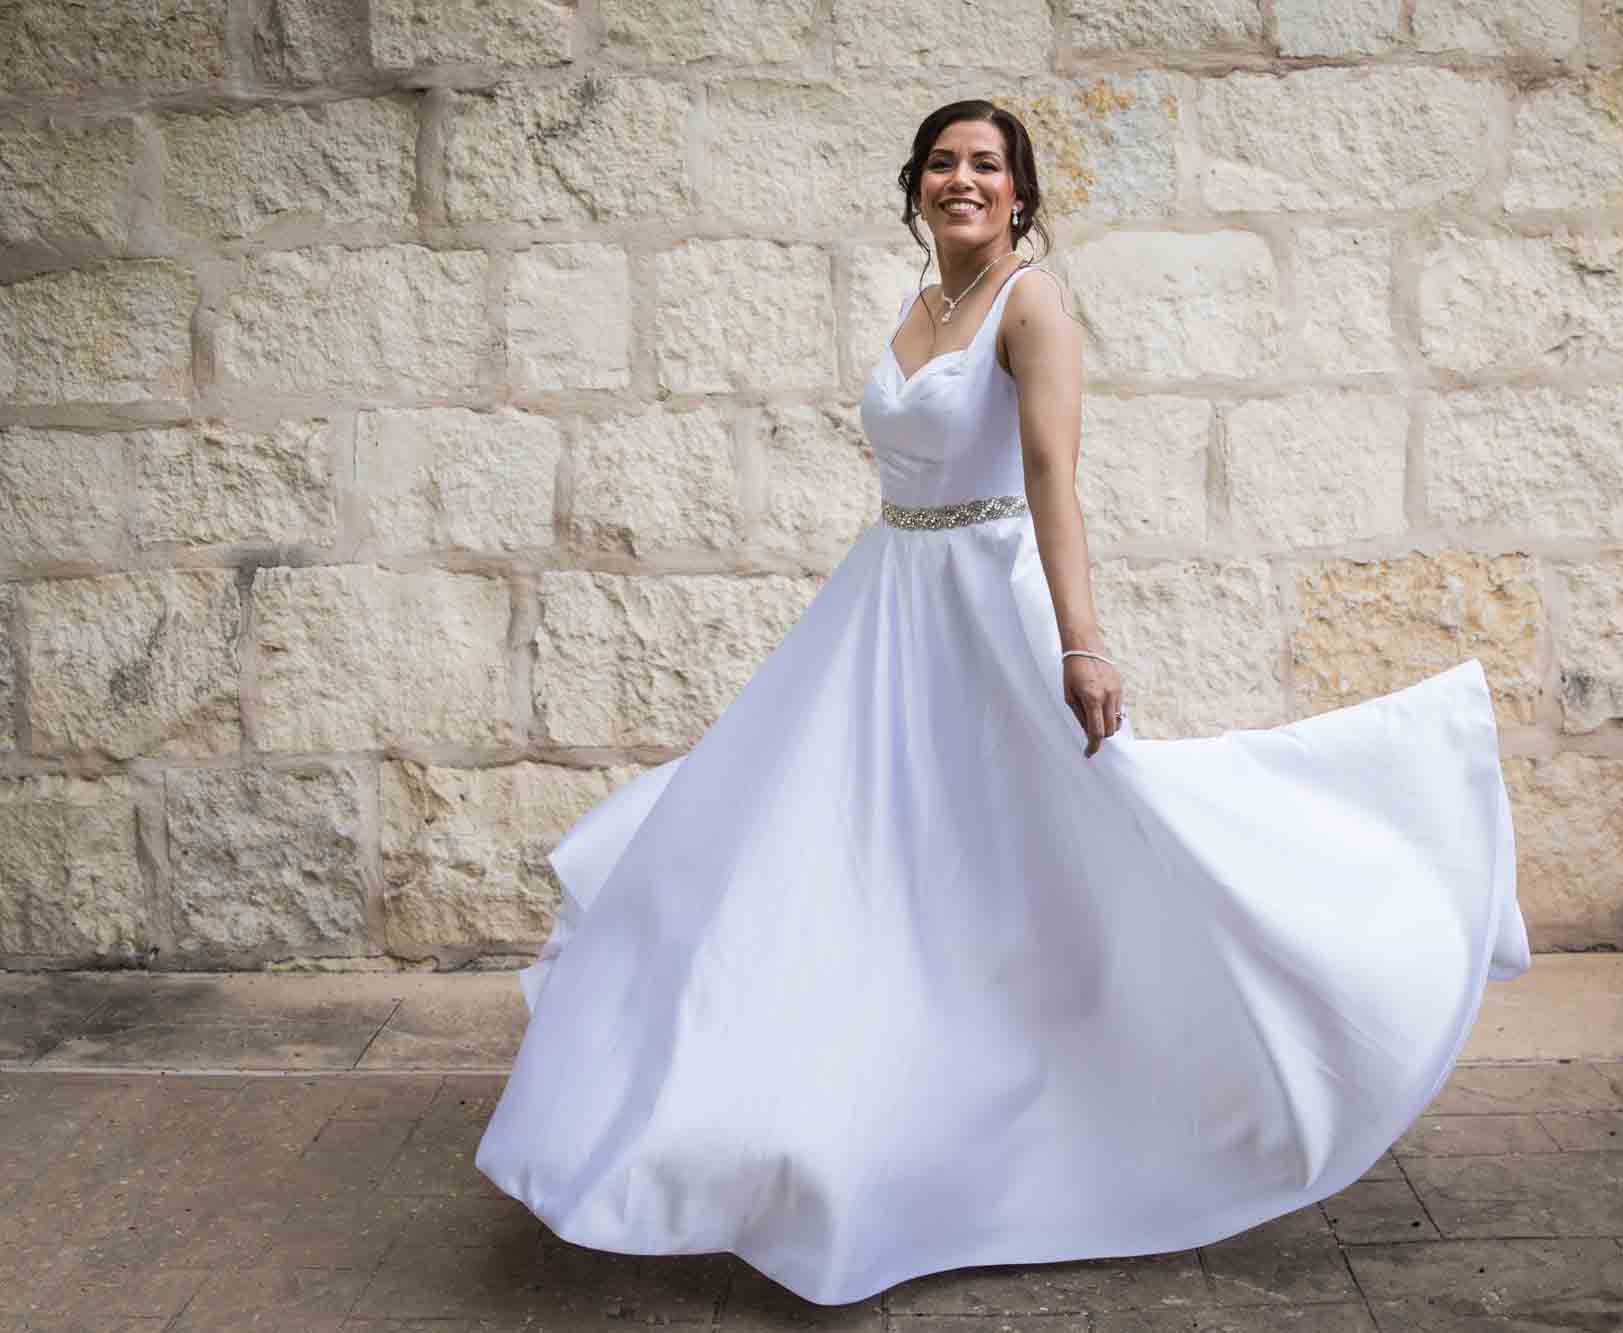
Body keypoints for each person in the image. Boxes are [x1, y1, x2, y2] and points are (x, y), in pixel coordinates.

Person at [475, 99, 1531, 1308]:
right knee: (839, 852)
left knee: (1081, 835)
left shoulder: (1030, 301)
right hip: (883, 602)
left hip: (985, 604)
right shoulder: (924, 306)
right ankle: (824, 1112)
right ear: (915, 186)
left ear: (1019, 194)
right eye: (942, 163)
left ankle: (1363, 866)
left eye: (986, 165)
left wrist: (1082, 643)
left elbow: (1048, 476)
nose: (961, 180)